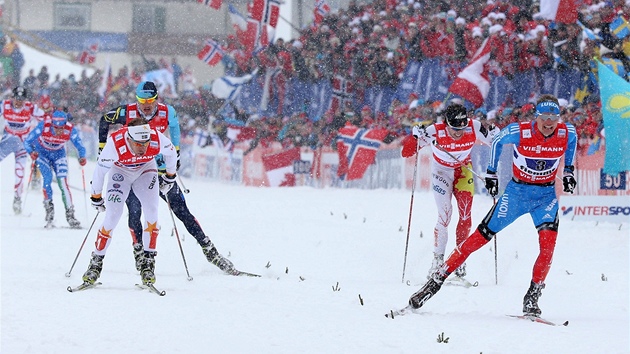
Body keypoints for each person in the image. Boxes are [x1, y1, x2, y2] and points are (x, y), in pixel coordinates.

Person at [408, 94, 578, 317]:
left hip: (545, 197)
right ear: (537, 117)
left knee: (547, 249)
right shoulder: (521, 131)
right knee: (477, 240)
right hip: (517, 194)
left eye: (553, 118)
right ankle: (436, 281)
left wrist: (568, 172)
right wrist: (491, 173)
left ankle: (532, 297)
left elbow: (571, 147)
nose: (548, 123)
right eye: (544, 117)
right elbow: (497, 142)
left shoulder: (568, 133)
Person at [98, 81, 240, 275]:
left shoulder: (167, 112)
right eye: (141, 100)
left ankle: (209, 250)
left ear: (156, 98)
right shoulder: (127, 111)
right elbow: (104, 119)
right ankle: (140, 253)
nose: (146, 104)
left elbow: (174, 129)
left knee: (182, 211)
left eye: (150, 100)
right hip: (134, 168)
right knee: (135, 211)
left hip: (160, 169)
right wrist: (101, 148)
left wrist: (176, 151)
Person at [400, 104, 498, 280]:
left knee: (466, 214)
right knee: (445, 215)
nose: (459, 133)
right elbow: (406, 152)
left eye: (462, 128)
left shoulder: (474, 126)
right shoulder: (434, 130)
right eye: (454, 129)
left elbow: (495, 143)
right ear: (446, 123)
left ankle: (459, 260)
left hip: (463, 171)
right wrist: (414, 137)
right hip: (441, 172)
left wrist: (495, 134)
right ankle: (438, 260)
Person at [82, 118, 178, 286]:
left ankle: (148, 263)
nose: (142, 147)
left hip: (145, 170)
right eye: (138, 144)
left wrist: (170, 176)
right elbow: (99, 171)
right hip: (120, 172)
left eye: (145, 143)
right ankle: (96, 262)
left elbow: (171, 153)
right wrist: (96, 196)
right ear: (129, 138)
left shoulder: (156, 137)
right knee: (112, 215)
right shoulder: (115, 143)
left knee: (152, 211)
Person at [23, 110, 87, 228]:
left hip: (58, 154)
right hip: (42, 153)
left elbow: (79, 144)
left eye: (61, 127)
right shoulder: (44, 125)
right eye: (56, 127)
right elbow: (27, 141)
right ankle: (49, 213)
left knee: (63, 182)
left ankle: (70, 215)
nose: (59, 130)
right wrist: (31, 152)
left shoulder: (70, 128)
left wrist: (82, 156)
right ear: (52, 124)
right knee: (47, 179)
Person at [0, 86, 43, 214]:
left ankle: (17, 200)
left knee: (20, 173)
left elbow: (45, 120)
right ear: (12, 97)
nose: (19, 102)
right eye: (17, 99)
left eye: (22, 99)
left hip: (22, 145)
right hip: (6, 143)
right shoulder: (5, 105)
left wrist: (36, 134)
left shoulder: (30, 107)